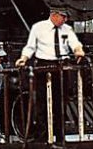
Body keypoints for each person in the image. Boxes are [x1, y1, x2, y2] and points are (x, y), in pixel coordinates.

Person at [15, 7, 85, 140]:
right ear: (54, 15)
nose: (65, 20)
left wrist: (78, 50)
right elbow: (30, 46)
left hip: (61, 66)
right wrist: (23, 58)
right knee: (42, 102)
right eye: (63, 17)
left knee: (61, 102)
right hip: (44, 65)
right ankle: (42, 136)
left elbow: (74, 43)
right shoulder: (38, 28)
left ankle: (60, 135)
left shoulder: (67, 29)